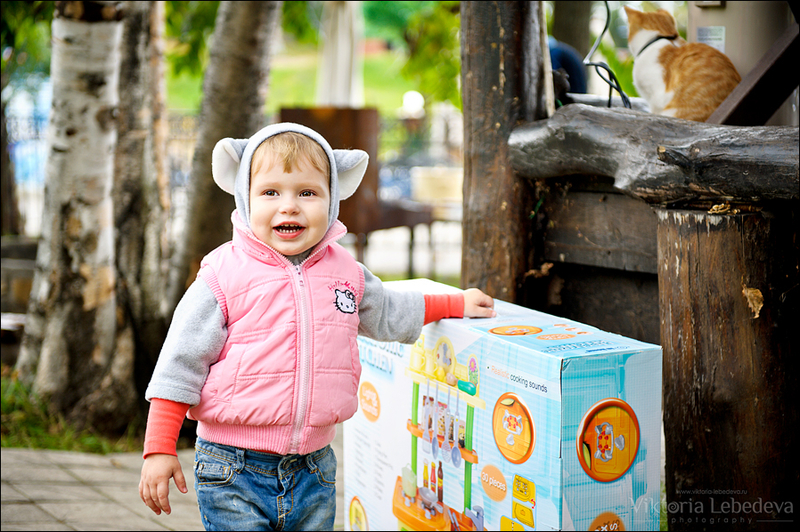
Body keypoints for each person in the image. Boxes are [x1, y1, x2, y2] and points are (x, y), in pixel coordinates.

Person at [139, 123, 496, 530]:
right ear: (244, 197)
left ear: (332, 199)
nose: (289, 206)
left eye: (307, 193)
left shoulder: (346, 272)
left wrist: (455, 303)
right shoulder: (223, 275)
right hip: (232, 467)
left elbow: (391, 312)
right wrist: (159, 448)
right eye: (270, 192)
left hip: (314, 468)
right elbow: (180, 363)